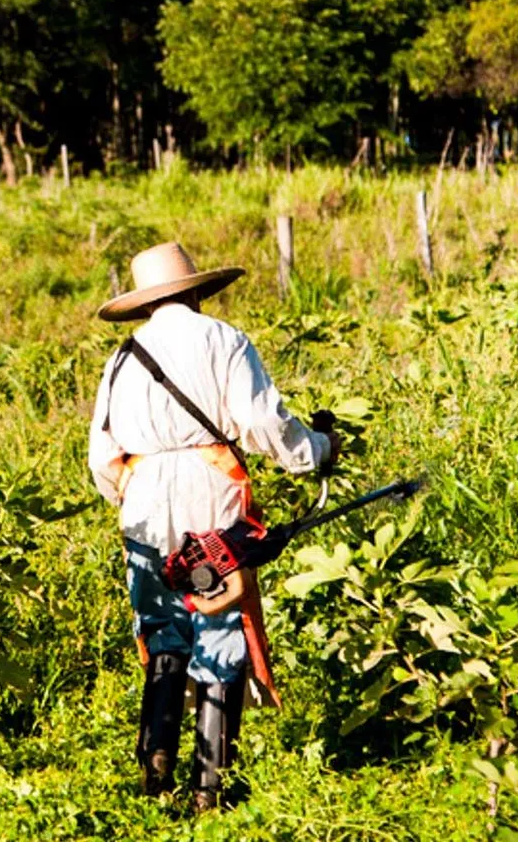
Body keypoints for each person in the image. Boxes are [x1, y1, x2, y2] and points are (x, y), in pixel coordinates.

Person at [87, 241, 337, 812]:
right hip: (211, 489)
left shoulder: (123, 358)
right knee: (221, 623)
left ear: (147, 302)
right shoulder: (223, 339)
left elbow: (102, 457)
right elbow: (263, 426)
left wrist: (131, 497)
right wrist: (317, 451)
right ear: (197, 290)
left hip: (143, 496)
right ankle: (210, 788)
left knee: (162, 628)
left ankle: (156, 761)